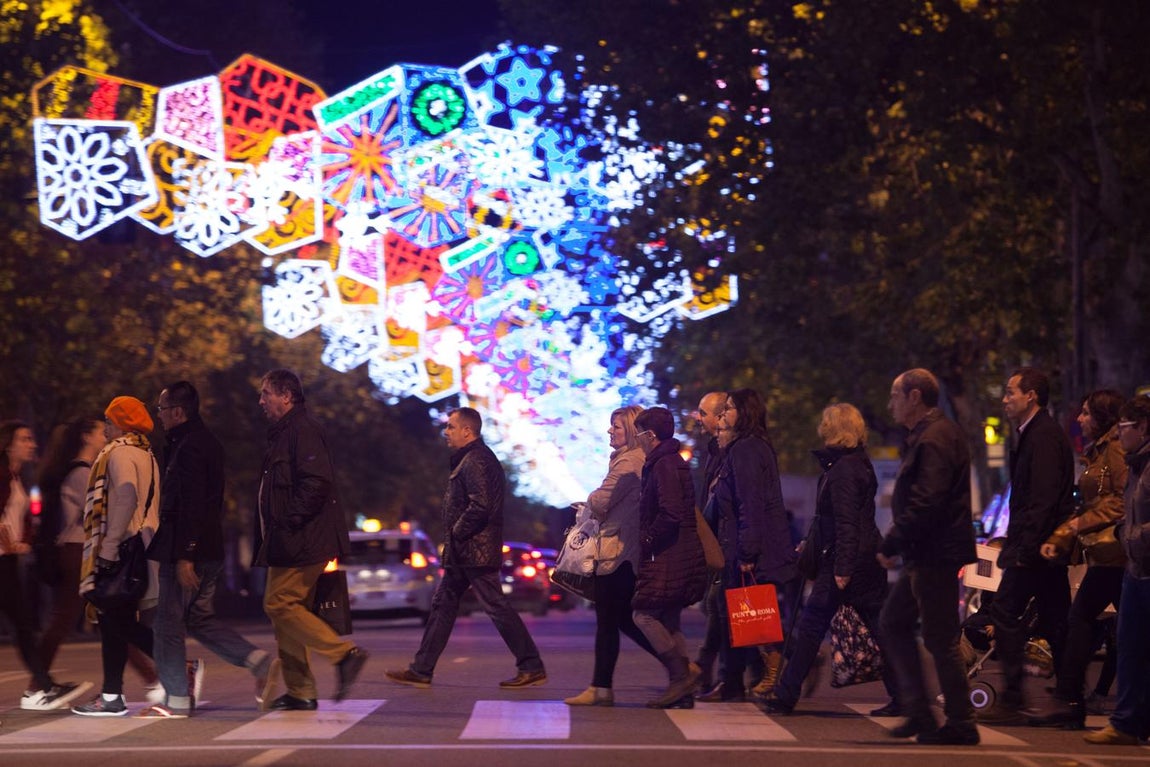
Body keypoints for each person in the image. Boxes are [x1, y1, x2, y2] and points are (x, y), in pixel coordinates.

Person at [142, 381, 278, 718]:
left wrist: (187, 553)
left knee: (168, 624)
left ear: (177, 411)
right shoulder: (198, 442)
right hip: (207, 547)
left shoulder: (190, 447)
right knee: (198, 619)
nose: (158, 416)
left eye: (161, 409)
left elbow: (194, 504)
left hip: (189, 551)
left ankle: (175, 699)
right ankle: (257, 661)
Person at [386, 407, 546, 689]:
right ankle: (421, 669)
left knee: (494, 606)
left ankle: (531, 665)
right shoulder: (469, 459)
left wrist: (458, 532)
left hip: (474, 549)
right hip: (466, 551)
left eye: (450, 427)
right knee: (443, 605)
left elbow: (481, 505)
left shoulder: (477, 460)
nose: (446, 432)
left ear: (467, 431)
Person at [761, 403, 898, 714]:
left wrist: (843, 567)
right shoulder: (856, 464)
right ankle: (904, 695)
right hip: (860, 559)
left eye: (825, 423)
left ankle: (785, 694)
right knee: (878, 628)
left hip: (845, 561)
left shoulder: (845, 471)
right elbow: (839, 520)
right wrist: (812, 544)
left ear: (833, 429)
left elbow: (847, 522)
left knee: (811, 625)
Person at [877, 368, 979, 746]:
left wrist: (892, 542)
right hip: (927, 552)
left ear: (915, 396)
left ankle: (961, 722)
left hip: (936, 553)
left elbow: (928, 501)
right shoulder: (930, 435)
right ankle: (919, 711)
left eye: (895, 396)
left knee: (940, 637)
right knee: (894, 621)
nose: (890, 404)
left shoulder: (935, 437)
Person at [255, 369, 366, 711]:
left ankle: (343, 655)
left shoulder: (303, 430)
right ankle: (301, 689)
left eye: (266, 393)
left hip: (303, 536)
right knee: (287, 610)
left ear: (286, 395)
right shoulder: (285, 432)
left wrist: (290, 522)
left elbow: (316, 482)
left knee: (280, 604)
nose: (261, 401)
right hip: (287, 537)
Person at [981, 367, 1075, 723]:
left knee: (1004, 612)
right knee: (1056, 620)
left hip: (1036, 549)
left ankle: (1014, 697)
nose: (1005, 399)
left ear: (1031, 395)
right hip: (1041, 547)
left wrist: (1024, 548)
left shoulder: (1043, 437)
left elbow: (1043, 499)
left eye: (1010, 392)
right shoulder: (1033, 434)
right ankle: (1070, 699)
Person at [1030, 389, 1127, 729]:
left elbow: (1121, 501)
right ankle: (1070, 701)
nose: (1081, 419)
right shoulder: (1100, 450)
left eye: (1086, 413)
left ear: (1103, 416)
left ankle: (1070, 701)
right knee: (1092, 622)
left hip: (1120, 555)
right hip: (1107, 555)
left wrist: (1075, 525)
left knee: (1084, 619)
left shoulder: (1115, 449)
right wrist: (1063, 535)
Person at [564, 405, 659, 706]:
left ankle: (602, 687)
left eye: (616, 427)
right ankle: (602, 685)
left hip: (617, 552)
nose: (609, 431)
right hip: (621, 550)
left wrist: (589, 499)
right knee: (618, 619)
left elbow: (603, 500)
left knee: (610, 619)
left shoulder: (629, 462)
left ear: (630, 431)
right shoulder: (629, 460)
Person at [72, 398, 161, 716]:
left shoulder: (120, 453)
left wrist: (107, 550)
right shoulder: (146, 453)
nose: (106, 426)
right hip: (142, 545)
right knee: (113, 621)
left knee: (116, 620)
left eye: (109, 420)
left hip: (122, 547)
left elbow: (125, 497)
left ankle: (180, 664)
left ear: (122, 423)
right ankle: (111, 696)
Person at [708, 389, 798, 702]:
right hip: (750, 544)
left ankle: (788, 665)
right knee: (741, 614)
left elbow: (750, 503)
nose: (723, 415)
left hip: (749, 548)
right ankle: (739, 681)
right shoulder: (751, 447)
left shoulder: (745, 450)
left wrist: (747, 552)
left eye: (729, 408)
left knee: (753, 614)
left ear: (745, 413)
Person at [0, 420, 89, 711]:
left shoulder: (16, 477)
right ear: (8, 443)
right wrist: (11, 543)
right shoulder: (2, 474)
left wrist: (24, 540)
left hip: (8, 561)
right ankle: (43, 685)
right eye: (24, 439)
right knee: (23, 626)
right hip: (3, 559)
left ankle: (43, 685)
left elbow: (20, 517)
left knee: (23, 626)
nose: (32, 444)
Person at [631, 406, 707, 709]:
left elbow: (671, 512)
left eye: (639, 435)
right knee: (669, 617)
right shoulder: (671, 461)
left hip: (668, 553)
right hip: (679, 550)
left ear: (650, 435)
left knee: (644, 614)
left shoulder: (663, 464)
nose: (638, 441)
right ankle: (683, 691)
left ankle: (681, 676)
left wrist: (647, 539)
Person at [1084, 395, 1150, 745]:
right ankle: (1126, 723)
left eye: (1123, 428)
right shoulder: (1136, 464)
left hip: (1145, 563)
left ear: (1142, 427)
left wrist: (1132, 535)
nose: (1118, 435)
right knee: (1130, 647)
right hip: (1136, 569)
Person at [35, 418, 106, 675]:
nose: (106, 436)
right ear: (86, 437)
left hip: (79, 551)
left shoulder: (84, 471)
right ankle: (37, 682)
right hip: (77, 552)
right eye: (101, 432)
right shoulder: (82, 474)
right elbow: (97, 517)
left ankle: (154, 678)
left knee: (109, 619)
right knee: (64, 618)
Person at [693, 391, 731, 700]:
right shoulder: (715, 450)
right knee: (717, 607)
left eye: (703, 413)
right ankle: (709, 670)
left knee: (721, 607)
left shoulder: (733, 451)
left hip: (728, 541)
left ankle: (706, 668)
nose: (698, 419)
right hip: (719, 538)